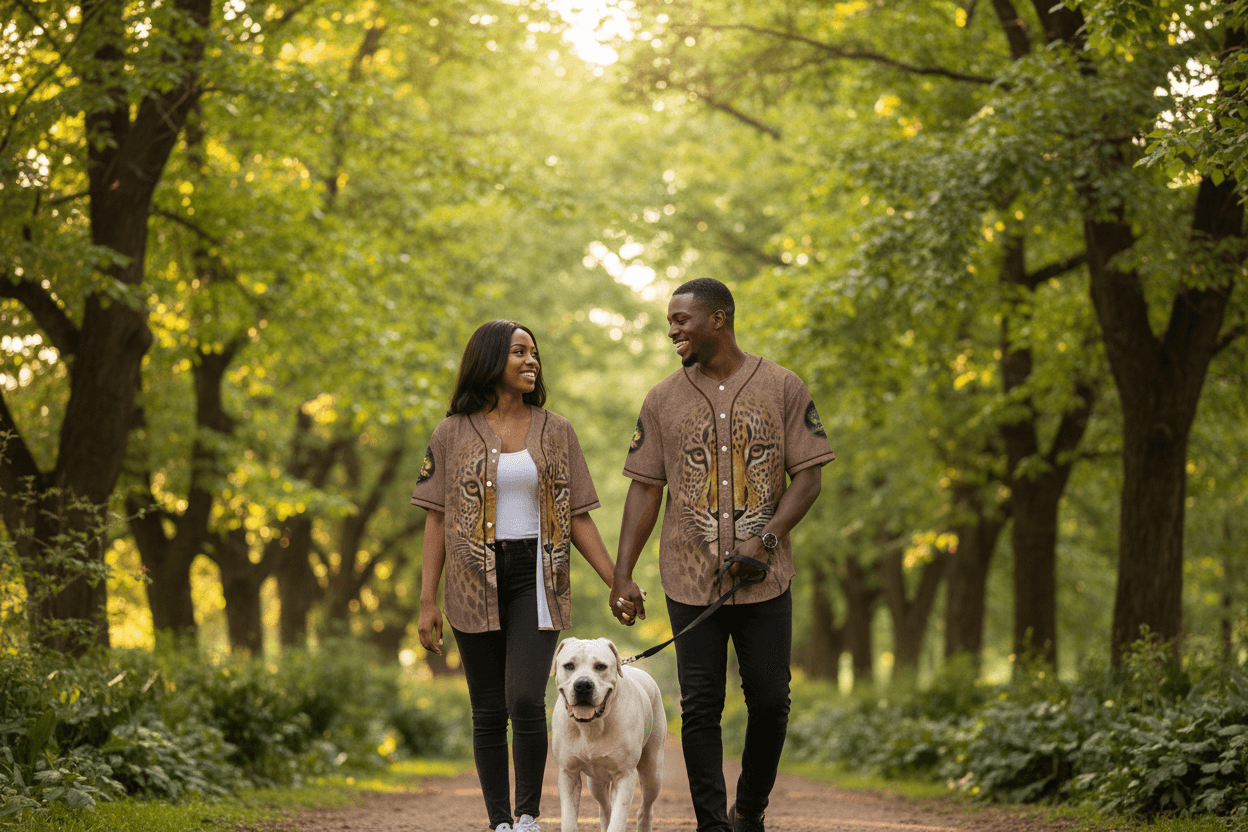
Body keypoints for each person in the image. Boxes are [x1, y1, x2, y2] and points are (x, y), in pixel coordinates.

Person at [610, 278, 834, 832]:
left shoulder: (782, 386)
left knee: (770, 700)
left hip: (766, 578)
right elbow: (644, 488)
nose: (672, 330)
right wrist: (622, 573)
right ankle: (711, 824)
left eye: (682, 320)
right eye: (671, 321)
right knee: (701, 706)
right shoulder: (662, 399)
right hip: (690, 578)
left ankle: (749, 811)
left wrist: (768, 538)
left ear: (719, 319)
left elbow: (808, 476)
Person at [412, 320, 621, 832]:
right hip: (469, 578)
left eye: (535, 354)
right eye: (519, 353)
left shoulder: (557, 430)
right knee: (487, 708)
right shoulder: (451, 432)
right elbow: (435, 517)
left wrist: (617, 580)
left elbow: (577, 517)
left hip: (538, 575)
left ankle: (528, 816)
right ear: (489, 360)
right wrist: (426, 601)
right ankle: (500, 823)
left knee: (525, 698)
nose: (532, 362)